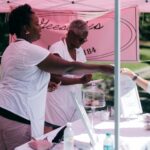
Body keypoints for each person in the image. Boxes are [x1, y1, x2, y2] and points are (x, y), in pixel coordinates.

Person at [0, 4, 114, 150]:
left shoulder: (12, 48)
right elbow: (68, 67)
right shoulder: (29, 50)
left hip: (7, 112)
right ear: (25, 29)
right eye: (36, 24)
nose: (40, 27)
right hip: (18, 118)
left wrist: (45, 84)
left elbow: (22, 79)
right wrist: (101, 68)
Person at [45, 19, 92, 127]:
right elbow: (56, 77)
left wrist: (87, 78)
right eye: (81, 39)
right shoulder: (57, 49)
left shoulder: (79, 50)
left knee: (75, 133)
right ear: (71, 34)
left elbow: (82, 72)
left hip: (74, 102)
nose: (83, 42)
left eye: (85, 39)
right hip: (58, 102)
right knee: (59, 135)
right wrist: (79, 80)